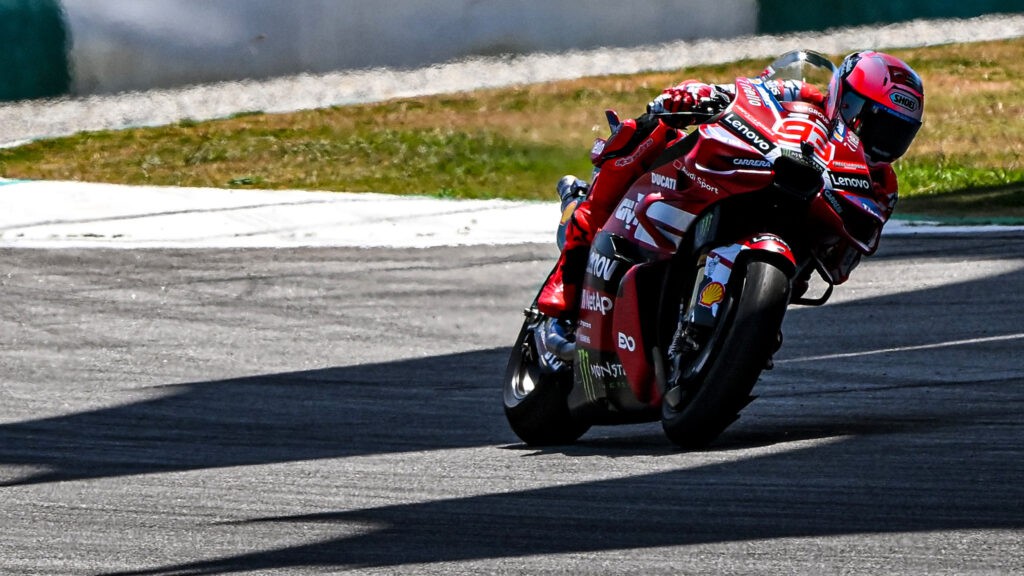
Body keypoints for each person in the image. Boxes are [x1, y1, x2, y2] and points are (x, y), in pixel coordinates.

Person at [536, 51, 925, 351]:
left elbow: (844, 261)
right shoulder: (804, 95)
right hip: (741, 176)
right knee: (651, 133)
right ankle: (568, 280)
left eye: (896, 135)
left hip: (789, 244)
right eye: (875, 124)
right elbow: (745, 93)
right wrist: (699, 94)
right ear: (847, 99)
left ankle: (739, 329)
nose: (881, 144)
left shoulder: (882, 185)